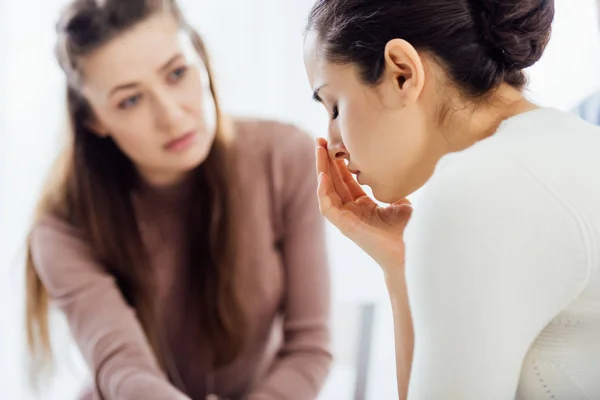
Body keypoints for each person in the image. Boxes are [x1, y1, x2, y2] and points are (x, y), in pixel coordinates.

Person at [25, 0, 332, 399]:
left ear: (201, 60)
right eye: (130, 100)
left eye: (176, 73)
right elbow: (123, 370)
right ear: (94, 120)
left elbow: (309, 347)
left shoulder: (285, 157)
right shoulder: (63, 225)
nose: (170, 115)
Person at [304, 0, 600, 399]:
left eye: (335, 106)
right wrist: (400, 264)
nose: (333, 144)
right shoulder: (574, 145)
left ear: (401, 74)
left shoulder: (474, 192)